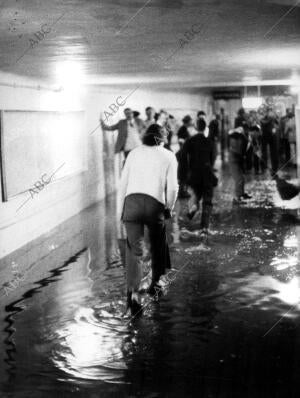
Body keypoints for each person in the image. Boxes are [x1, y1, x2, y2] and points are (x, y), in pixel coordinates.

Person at [118, 124, 178, 314]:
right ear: (162, 138)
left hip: (132, 203)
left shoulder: (133, 153)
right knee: (159, 242)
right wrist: (169, 206)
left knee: (134, 249)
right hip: (154, 205)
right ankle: (156, 284)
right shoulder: (168, 155)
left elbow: (123, 184)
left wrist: (120, 213)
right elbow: (173, 188)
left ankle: (133, 294)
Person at [179, 118, 217, 241]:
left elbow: (182, 158)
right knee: (207, 199)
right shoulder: (209, 141)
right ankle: (204, 228)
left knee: (197, 195)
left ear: (195, 128)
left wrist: (183, 177)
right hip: (206, 174)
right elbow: (212, 159)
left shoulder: (190, 141)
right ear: (205, 128)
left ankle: (192, 211)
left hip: (194, 175)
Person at [228, 126, 252, 203]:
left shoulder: (244, 138)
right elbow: (238, 150)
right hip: (234, 159)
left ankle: (241, 194)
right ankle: (236, 198)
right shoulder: (237, 137)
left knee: (241, 178)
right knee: (239, 179)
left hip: (238, 159)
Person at [260, 107, 279, 176]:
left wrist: (275, 118)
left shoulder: (273, 116)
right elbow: (263, 121)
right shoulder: (263, 116)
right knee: (264, 152)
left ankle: (274, 169)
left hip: (273, 135)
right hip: (265, 135)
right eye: (269, 110)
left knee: (274, 152)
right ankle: (263, 168)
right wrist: (270, 118)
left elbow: (277, 124)